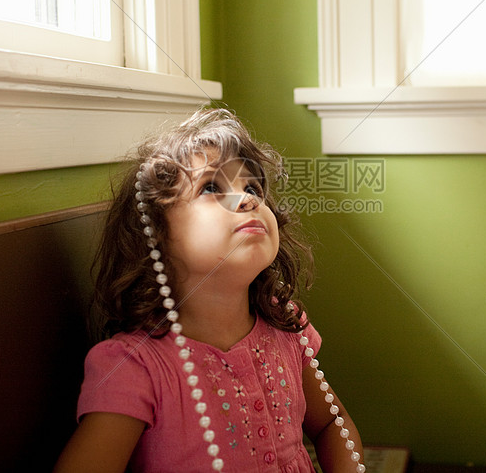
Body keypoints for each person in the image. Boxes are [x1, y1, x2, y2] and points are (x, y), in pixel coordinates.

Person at [54, 108, 364, 473]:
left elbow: (332, 425)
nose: (247, 200)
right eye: (212, 187)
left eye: (252, 188)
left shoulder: (286, 327)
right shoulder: (135, 367)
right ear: (155, 235)